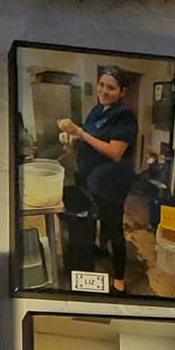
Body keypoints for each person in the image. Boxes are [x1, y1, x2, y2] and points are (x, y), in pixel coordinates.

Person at [59, 68, 138, 293]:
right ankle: (100, 248)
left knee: (114, 226)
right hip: (90, 177)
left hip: (111, 182)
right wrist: (71, 138)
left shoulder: (124, 117)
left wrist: (80, 133)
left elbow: (115, 152)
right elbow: (89, 139)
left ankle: (119, 280)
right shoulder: (97, 110)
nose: (103, 91)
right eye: (101, 85)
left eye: (111, 88)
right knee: (94, 217)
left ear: (122, 92)